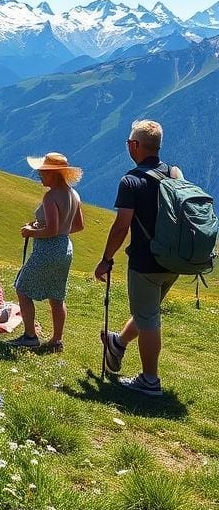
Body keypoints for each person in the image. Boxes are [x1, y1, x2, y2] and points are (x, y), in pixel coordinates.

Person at [95, 120, 182, 396]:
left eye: (128, 143)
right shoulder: (174, 173)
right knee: (148, 312)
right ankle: (117, 344)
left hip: (145, 262)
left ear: (135, 145)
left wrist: (106, 258)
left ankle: (150, 381)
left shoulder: (131, 180)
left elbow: (121, 226)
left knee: (148, 319)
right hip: (174, 260)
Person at [9, 153, 85, 350]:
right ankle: (56, 340)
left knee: (22, 288)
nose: (40, 175)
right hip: (65, 248)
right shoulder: (74, 194)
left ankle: (29, 336)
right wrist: (50, 228)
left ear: (54, 174)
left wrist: (31, 231)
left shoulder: (51, 196)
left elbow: (51, 230)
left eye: (43, 172)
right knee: (57, 295)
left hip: (48, 250)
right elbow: (78, 225)